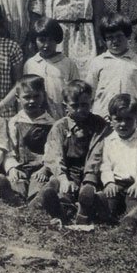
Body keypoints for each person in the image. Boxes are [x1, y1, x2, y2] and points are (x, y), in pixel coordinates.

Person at [40, 80, 110, 223]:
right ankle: (62, 210)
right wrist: (63, 179)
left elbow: (97, 153)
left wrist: (90, 179)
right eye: (75, 106)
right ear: (65, 106)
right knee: (62, 189)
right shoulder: (60, 127)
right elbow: (55, 154)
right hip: (69, 171)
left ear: (91, 102)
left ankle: (85, 210)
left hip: (93, 171)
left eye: (84, 105)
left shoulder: (99, 124)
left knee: (91, 192)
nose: (80, 110)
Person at [85, 14, 137, 137]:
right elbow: (89, 95)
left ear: (128, 36)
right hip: (102, 122)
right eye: (110, 38)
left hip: (129, 122)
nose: (115, 41)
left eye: (119, 36)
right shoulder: (97, 62)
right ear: (104, 40)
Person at [97, 93, 137, 225]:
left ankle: (133, 216)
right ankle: (106, 213)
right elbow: (105, 165)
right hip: (116, 183)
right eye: (118, 119)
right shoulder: (108, 141)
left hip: (135, 183)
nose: (123, 124)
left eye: (129, 119)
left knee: (133, 198)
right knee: (111, 199)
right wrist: (109, 182)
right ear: (110, 119)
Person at [0, 75, 55, 205]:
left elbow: (54, 151)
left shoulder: (51, 123)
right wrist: (12, 168)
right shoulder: (14, 122)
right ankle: (14, 197)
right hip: (20, 167)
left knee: (38, 184)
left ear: (43, 96)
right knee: (16, 182)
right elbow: (9, 149)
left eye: (36, 96)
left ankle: (37, 200)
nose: (32, 101)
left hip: (40, 168)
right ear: (18, 98)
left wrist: (45, 169)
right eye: (27, 97)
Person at [22, 18, 76, 119]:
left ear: (57, 40)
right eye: (42, 40)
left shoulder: (68, 63)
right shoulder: (30, 64)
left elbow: (75, 92)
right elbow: (24, 92)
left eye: (51, 40)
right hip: (37, 117)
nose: (46, 45)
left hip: (61, 116)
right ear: (35, 40)